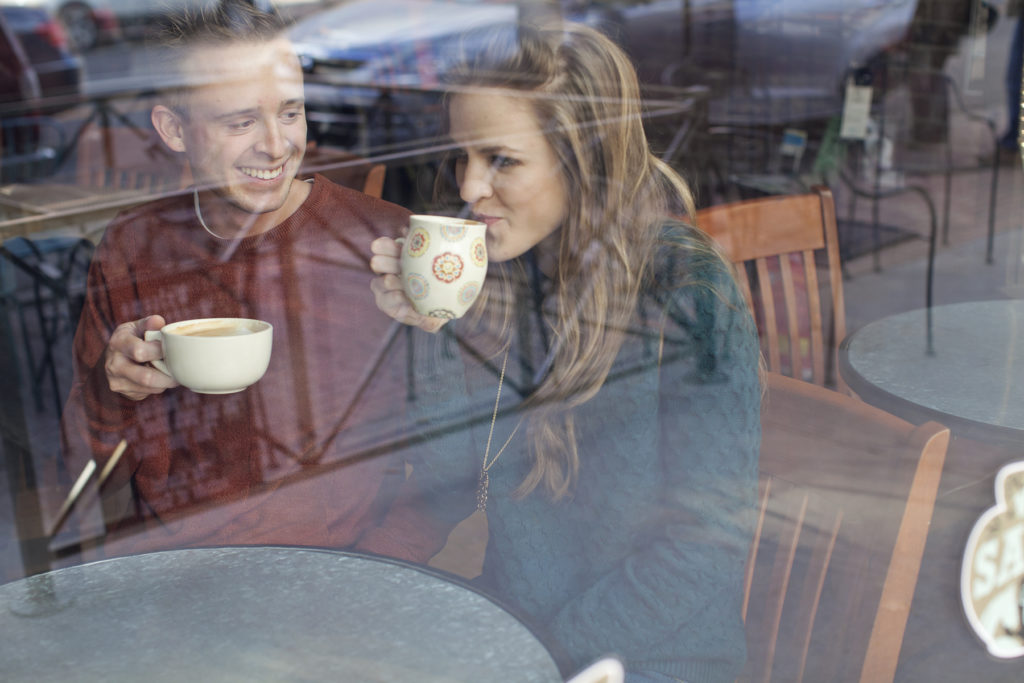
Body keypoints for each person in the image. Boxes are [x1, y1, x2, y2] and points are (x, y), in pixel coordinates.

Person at [370, 22, 761, 683]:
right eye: (462, 155)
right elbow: (449, 487)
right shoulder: (502, 269)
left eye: (501, 160)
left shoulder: (687, 292)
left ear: (583, 160)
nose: (468, 187)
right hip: (517, 636)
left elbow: (703, 551)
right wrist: (427, 327)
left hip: (656, 659)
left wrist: (538, 649)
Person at [57, 1, 437, 561]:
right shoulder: (134, 244)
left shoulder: (382, 241)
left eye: (290, 113)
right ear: (173, 129)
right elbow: (83, 472)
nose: (276, 146)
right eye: (239, 122)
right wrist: (111, 391)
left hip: (344, 565)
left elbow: (453, 450)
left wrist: (382, 563)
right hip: (174, 568)